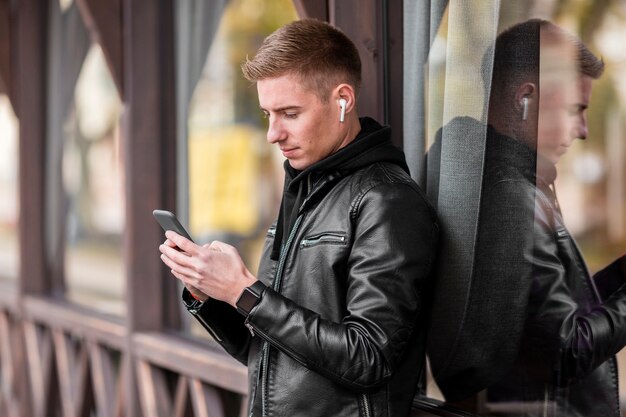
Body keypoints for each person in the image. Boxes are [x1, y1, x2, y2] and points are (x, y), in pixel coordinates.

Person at [158, 19, 438, 417]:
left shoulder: (386, 200)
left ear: (343, 99)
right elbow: (270, 356)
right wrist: (210, 295)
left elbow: (369, 358)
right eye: (267, 114)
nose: (273, 134)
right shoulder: (303, 192)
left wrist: (245, 291)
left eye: (289, 113)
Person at [427, 19, 626, 416]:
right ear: (525, 99)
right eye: (574, 109)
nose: (583, 129)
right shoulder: (510, 197)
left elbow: (545, 314)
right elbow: (565, 351)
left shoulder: (490, 182)